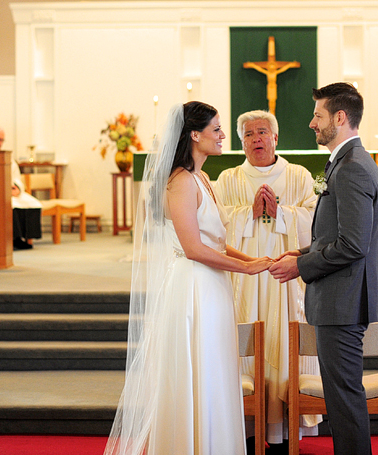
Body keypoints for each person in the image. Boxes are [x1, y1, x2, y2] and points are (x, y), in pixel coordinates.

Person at [105, 101, 274, 455]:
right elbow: (194, 248)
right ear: (194, 134)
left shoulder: (203, 177)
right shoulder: (180, 181)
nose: (223, 135)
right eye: (216, 129)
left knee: (213, 373)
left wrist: (255, 259)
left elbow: (217, 241)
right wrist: (245, 269)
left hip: (212, 285)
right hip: (193, 286)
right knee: (194, 373)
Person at [269, 82, 378, 455]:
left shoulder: (352, 168)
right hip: (339, 299)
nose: (311, 123)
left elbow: (353, 244)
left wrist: (301, 266)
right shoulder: (343, 162)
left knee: (345, 400)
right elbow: (336, 234)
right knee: (341, 398)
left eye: (318, 115)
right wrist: (300, 252)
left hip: (343, 303)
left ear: (340, 117)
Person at [214, 110, 321, 452]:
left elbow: (315, 221)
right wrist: (247, 213)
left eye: (263, 132)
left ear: (276, 138)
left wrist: (283, 214)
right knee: (246, 345)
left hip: (286, 280)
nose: (256, 139)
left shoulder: (299, 175)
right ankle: (245, 429)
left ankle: (287, 433)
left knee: (285, 342)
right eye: (248, 134)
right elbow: (215, 226)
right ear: (241, 141)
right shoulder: (227, 179)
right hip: (243, 280)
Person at [0, 125, 43, 250]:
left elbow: (16, 177)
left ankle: (27, 238)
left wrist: (17, 188)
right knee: (11, 205)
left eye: (2, 140)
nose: (0, 143)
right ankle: (14, 239)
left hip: (11, 191)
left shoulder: (7, 156)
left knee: (33, 203)